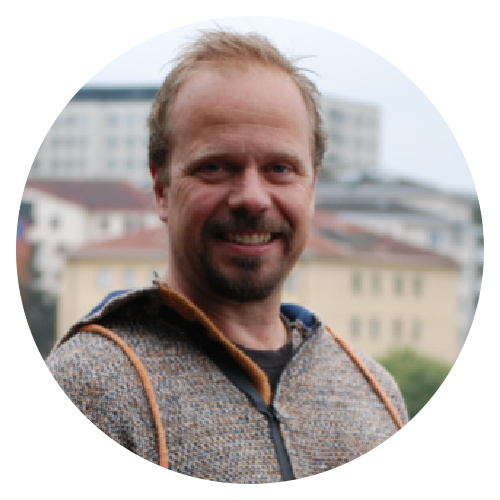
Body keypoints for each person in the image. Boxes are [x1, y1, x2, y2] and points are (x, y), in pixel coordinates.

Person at [46, 29, 408, 483]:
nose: (252, 198)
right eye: (215, 167)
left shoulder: (375, 396)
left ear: (312, 187)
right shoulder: (90, 389)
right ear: (161, 189)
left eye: (280, 168)